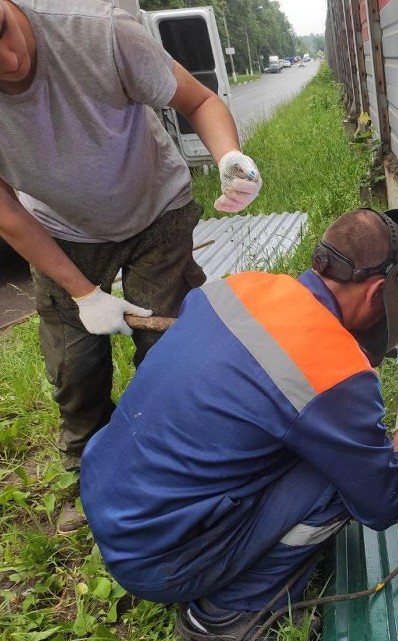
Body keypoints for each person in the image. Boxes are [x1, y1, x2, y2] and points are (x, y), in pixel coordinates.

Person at [80, 208, 398, 641]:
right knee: (341, 482)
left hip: (110, 500)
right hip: (158, 558)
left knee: (308, 443)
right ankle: (223, 616)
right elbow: (384, 500)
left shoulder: (240, 287)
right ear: (375, 294)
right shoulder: (334, 372)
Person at [0, 0, 263, 532]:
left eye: (0, 30)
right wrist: (82, 294)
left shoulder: (101, 32)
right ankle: (87, 473)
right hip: (61, 232)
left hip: (156, 211)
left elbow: (201, 99)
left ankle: (177, 468)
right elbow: (5, 214)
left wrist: (230, 157)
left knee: (167, 352)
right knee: (75, 367)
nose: (8, 61)